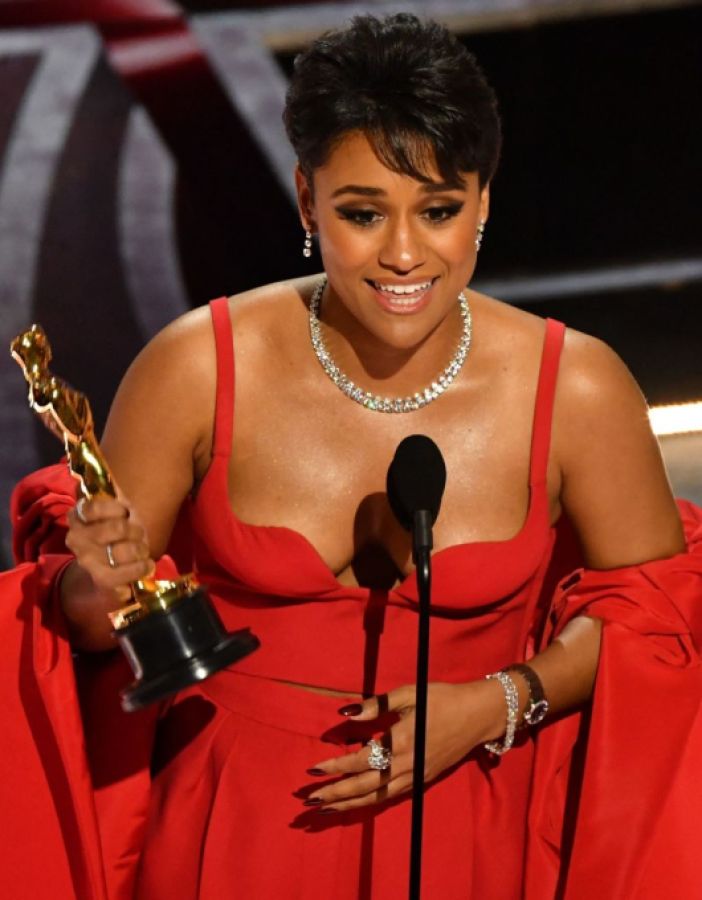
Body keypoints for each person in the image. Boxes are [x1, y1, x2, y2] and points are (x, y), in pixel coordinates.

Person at [5, 12, 702, 900]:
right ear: (306, 200)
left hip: (468, 839)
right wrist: (94, 587)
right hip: (232, 834)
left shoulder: (578, 389)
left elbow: (660, 628)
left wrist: (499, 700)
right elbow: (97, 627)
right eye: (363, 213)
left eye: (440, 210)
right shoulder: (197, 366)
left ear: (483, 201)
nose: (405, 254)